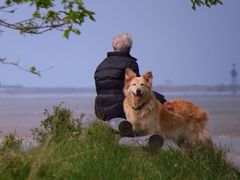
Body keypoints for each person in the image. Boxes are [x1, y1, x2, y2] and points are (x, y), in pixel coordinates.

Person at [94, 33, 172, 139]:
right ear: (130, 48)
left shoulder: (101, 64)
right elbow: (139, 87)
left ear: (113, 47)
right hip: (119, 109)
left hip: (100, 109)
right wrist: (162, 100)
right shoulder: (130, 64)